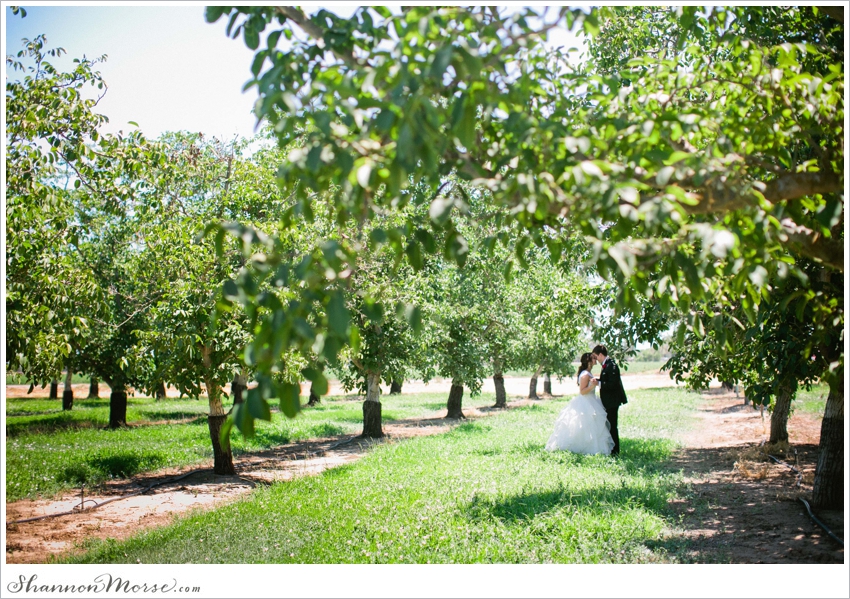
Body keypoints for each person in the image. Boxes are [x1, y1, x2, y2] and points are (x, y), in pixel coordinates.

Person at [544, 352, 615, 455]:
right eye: (593, 359)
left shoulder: (587, 372)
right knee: (584, 425)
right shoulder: (585, 374)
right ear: (589, 361)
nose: (595, 360)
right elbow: (582, 391)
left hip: (591, 401)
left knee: (593, 427)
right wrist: (593, 386)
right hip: (585, 402)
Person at [591, 344, 628, 456]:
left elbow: (612, 384)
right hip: (608, 401)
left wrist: (599, 383)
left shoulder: (611, 366)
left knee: (612, 426)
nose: (596, 359)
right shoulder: (606, 365)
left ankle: (615, 451)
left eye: (596, 356)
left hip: (612, 402)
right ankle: (611, 448)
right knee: (609, 425)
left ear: (601, 355)